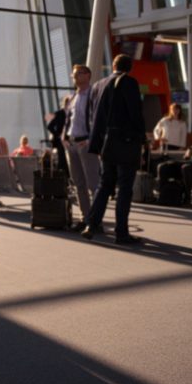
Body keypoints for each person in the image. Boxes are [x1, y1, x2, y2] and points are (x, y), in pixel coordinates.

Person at [81, 54, 145, 245]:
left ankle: (91, 224)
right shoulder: (129, 82)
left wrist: (97, 142)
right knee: (125, 187)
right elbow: (135, 113)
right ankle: (121, 233)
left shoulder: (98, 85)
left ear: (113, 66)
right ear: (130, 67)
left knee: (104, 184)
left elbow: (90, 115)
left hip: (105, 144)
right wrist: (141, 139)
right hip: (125, 142)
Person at [62, 63, 100, 232]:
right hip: (71, 144)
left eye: (78, 74)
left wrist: (91, 139)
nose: (75, 77)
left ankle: (96, 220)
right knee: (79, 184)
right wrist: (64, 137)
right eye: (74, 74)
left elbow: (99, 120)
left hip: (85, 143)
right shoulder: (72, 97)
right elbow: (68, 119)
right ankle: (86, 218)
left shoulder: (93, 95)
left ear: (88, 75)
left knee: (93, 183)